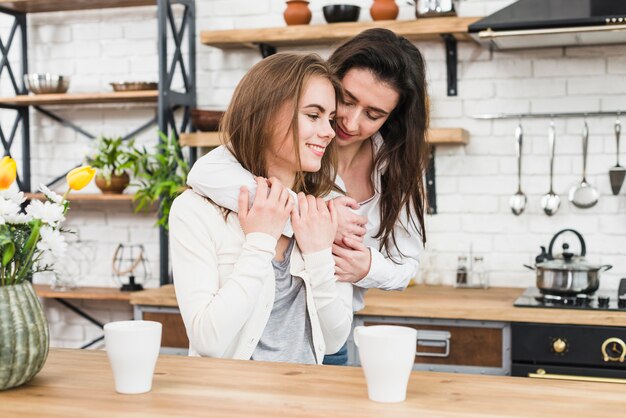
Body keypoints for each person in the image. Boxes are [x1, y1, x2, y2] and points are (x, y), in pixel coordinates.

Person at [186, 28, 429, 365]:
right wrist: (316, 214)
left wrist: (366, 265)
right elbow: (203, 175)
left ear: (393, 118)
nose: (349, 121)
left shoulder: (397, 169)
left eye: (373, 115)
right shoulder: (290, 154)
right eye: (345, 99)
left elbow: (406, 265)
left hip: (325, 330)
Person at [169, 52, 353, 365]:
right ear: (265, 115)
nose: (330, 131)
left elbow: (335, 338)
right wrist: (259, 242)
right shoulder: (195, 210)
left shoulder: (326, 212)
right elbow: (208, 340)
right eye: (313, 115)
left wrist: (319, 253)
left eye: (330, 119)